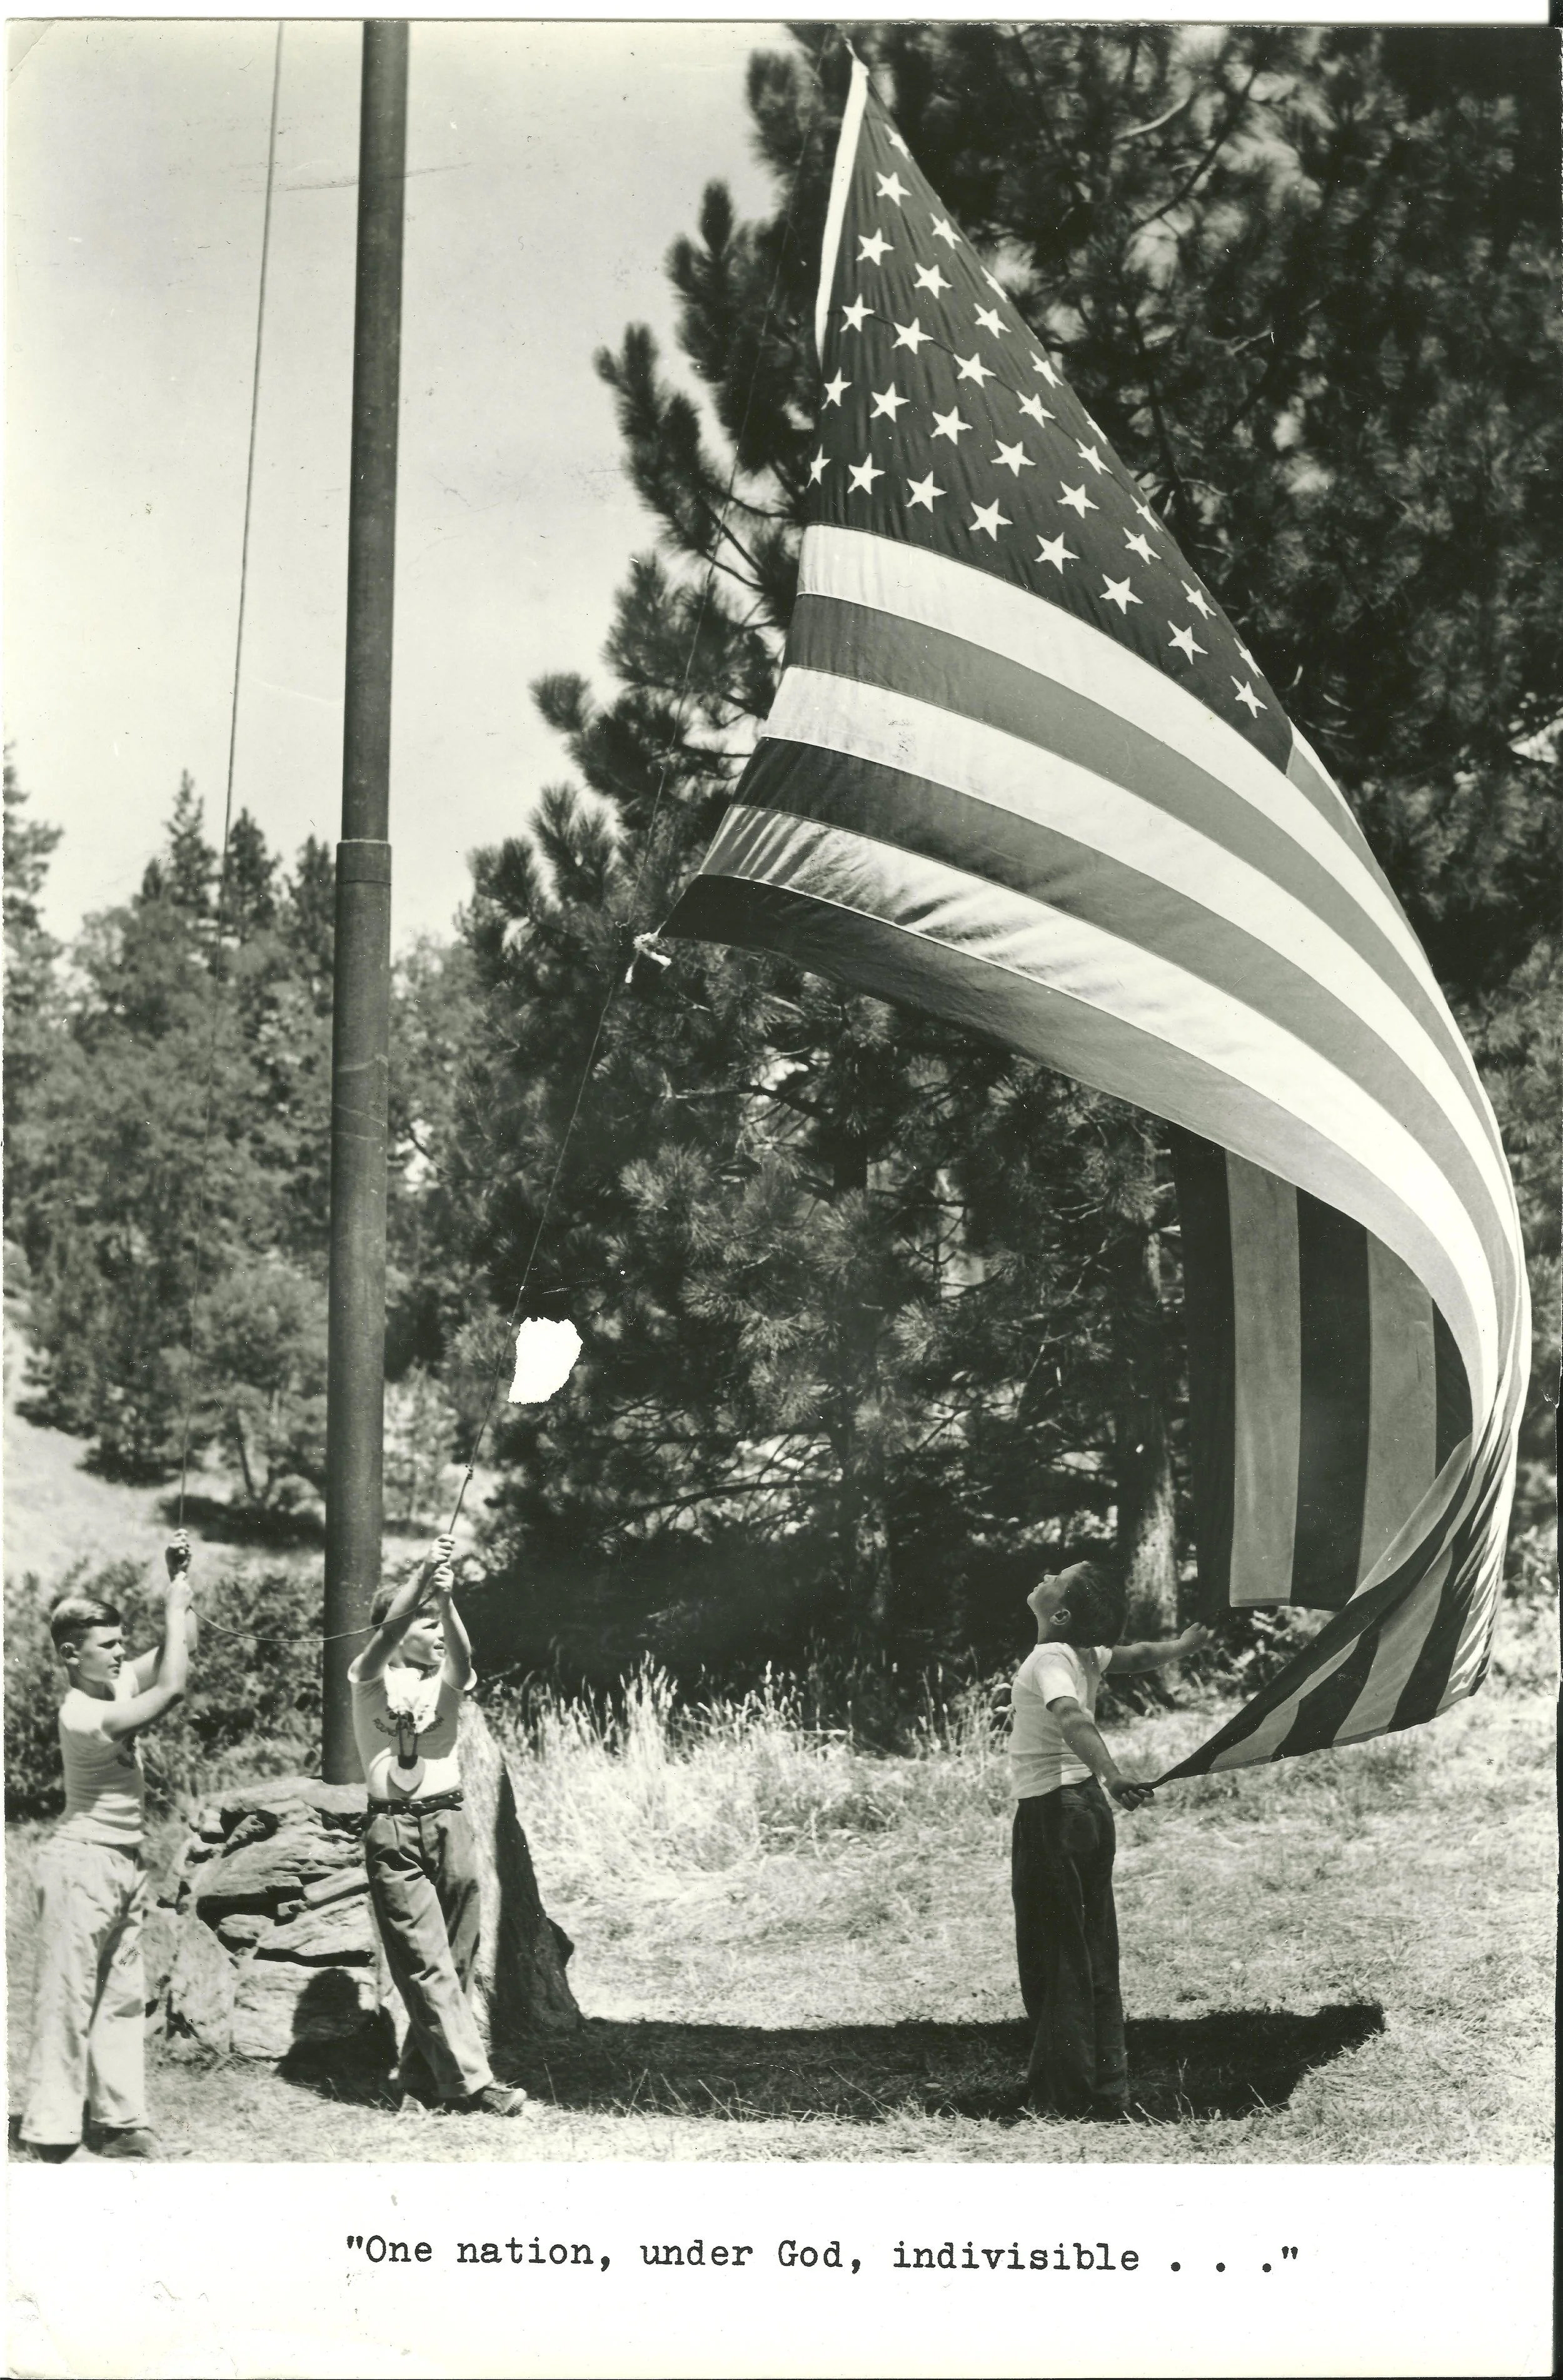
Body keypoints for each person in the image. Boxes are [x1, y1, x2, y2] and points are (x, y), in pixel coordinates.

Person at [1008, 1558, 1208, 2120]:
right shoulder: (1084, 1656)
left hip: (1053, 1811)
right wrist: (1185, 1646)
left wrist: (1111, 1772)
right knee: (1092, 1945)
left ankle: (1063, 2095)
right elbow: (1140, 1655)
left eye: (1055, 1577)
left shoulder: (1050, 1657)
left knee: (1054, 1952)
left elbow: (1070, 1716)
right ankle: (1104, 2085)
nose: (1044, 1575)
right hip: (1090, 1816)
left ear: (1062, 1611)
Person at [20, 1532, 198, 2161]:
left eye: (125, 1643)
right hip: (80, 1861)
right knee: (66, 1996)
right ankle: (51, 2127)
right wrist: (173, 1609)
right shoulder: (81, 1713)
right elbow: (172, 1688)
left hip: (124, 1861)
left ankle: (121, 2122)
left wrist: (178, 1580)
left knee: (121, 1996)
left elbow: (183, 1652)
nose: (123, 1654)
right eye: (110, 1645)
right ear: (72, 1654)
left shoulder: (112, 1688)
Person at [348, 1536, 527, 2119]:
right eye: (424, 1624)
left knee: (453, 1959)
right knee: (424, 1961)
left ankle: (421, 2080)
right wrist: (424, 1573)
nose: (436, 1633)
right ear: (398, 1632)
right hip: (393, 1832)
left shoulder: (444, 1681)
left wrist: (446, 1606)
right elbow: (383, 1639)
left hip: (449, 1823)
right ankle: (476, 2085)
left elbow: (465, 1661)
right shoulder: (370, 1679)